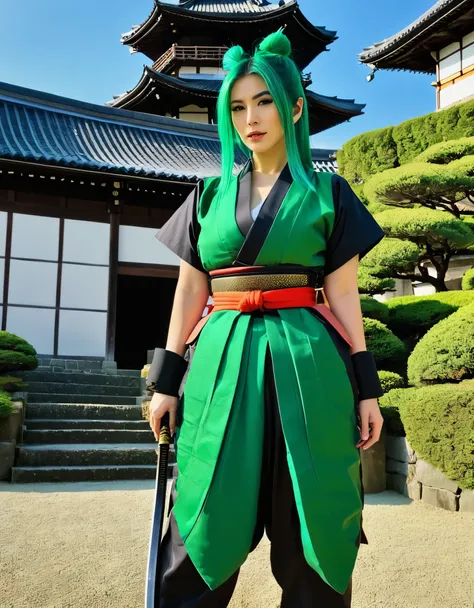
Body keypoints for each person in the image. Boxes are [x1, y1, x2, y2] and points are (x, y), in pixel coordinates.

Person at [147, 29, 385, 608]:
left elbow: (344, 297)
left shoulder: (330, 194)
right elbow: (188, 293)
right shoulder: (206, 195)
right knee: (202, 509)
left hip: (311, 367)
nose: (249, 118)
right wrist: (165, 383)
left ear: (295, 108)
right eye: (236, 106)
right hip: (218, 369)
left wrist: (367, 389)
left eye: (264, 102)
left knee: (313, 513)